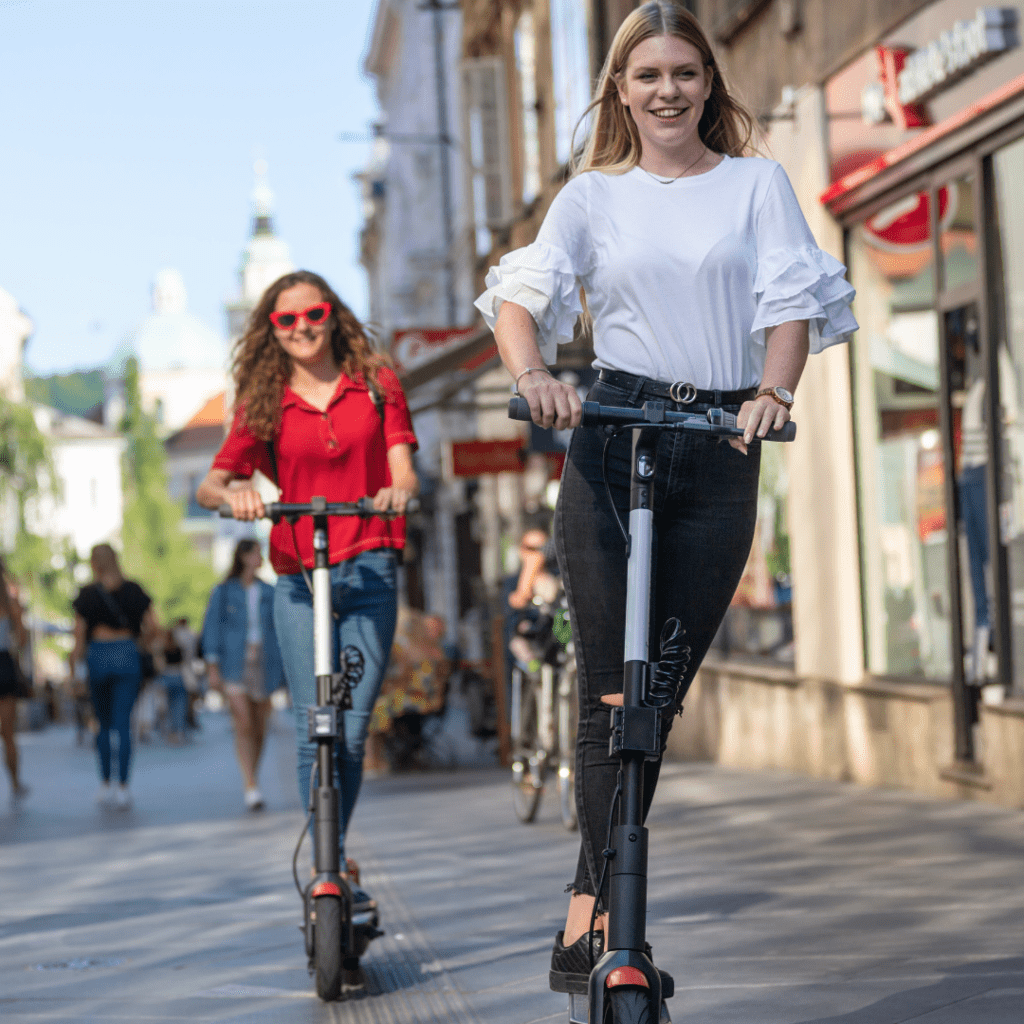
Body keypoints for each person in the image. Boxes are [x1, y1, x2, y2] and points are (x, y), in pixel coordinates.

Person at [474, 0, 857, 991]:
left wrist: (774, 393)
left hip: (723, 438)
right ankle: (599, 915)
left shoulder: (756, 184)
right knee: (610, 691)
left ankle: (598, 896)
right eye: (647, 75)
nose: (667, 90)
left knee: (657, 697)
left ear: (707, 83)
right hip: (612, 438)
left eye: (684, 72)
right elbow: (523, 300)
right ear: (619, 89)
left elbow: (788, 303)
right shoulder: (590, 198)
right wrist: (535, 379)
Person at [195, 270, 418, 946]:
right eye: (284, 321)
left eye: (311, 314)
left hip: (370, 562)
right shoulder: (262, 400)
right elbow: (211, 482)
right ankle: (329, 863)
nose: (300, 328)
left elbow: (404, 463)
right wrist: (233, 497)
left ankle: (335, 849)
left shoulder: (376, 380)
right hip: (297, 573)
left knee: (349, 730)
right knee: (310, 726)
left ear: (333, 314)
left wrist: (397, 488)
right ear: (270, 329)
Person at [70, 543, 158, 809]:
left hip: (98, 655)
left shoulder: (87, 594)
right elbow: (154, 626)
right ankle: (124, 786)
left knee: (102, 724)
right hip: (127, 653)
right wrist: (138, 642)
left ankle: (105, 782)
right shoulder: (134, 589)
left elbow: (78, 636)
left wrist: (74, 669)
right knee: (123, 724)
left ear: (94, 564)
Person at [201, 540, 283, 809]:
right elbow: (212, 628)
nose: (261, 558)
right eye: (257, 553)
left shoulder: (270, 592)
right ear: (245, 557)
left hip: (265, 663)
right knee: (244, 722)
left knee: (260, 726)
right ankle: (250, 784)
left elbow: (280, 630)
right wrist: (213, 668)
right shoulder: (224, 592)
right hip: (234, 664)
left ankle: (253, 777)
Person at [0, 556, 30, 802]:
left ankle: (17, 783)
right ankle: (15, 783)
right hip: (4, 666)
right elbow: (21, 640)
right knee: (8, 734)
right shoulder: (9, 604)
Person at [156, 628, 188, 745]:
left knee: (169, 707)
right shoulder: (179, 647)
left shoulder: (162, 648)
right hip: (178, 676)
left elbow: (159, 664)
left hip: (167, 677)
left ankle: (172, 732)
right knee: (180, 706)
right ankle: (180, 731)